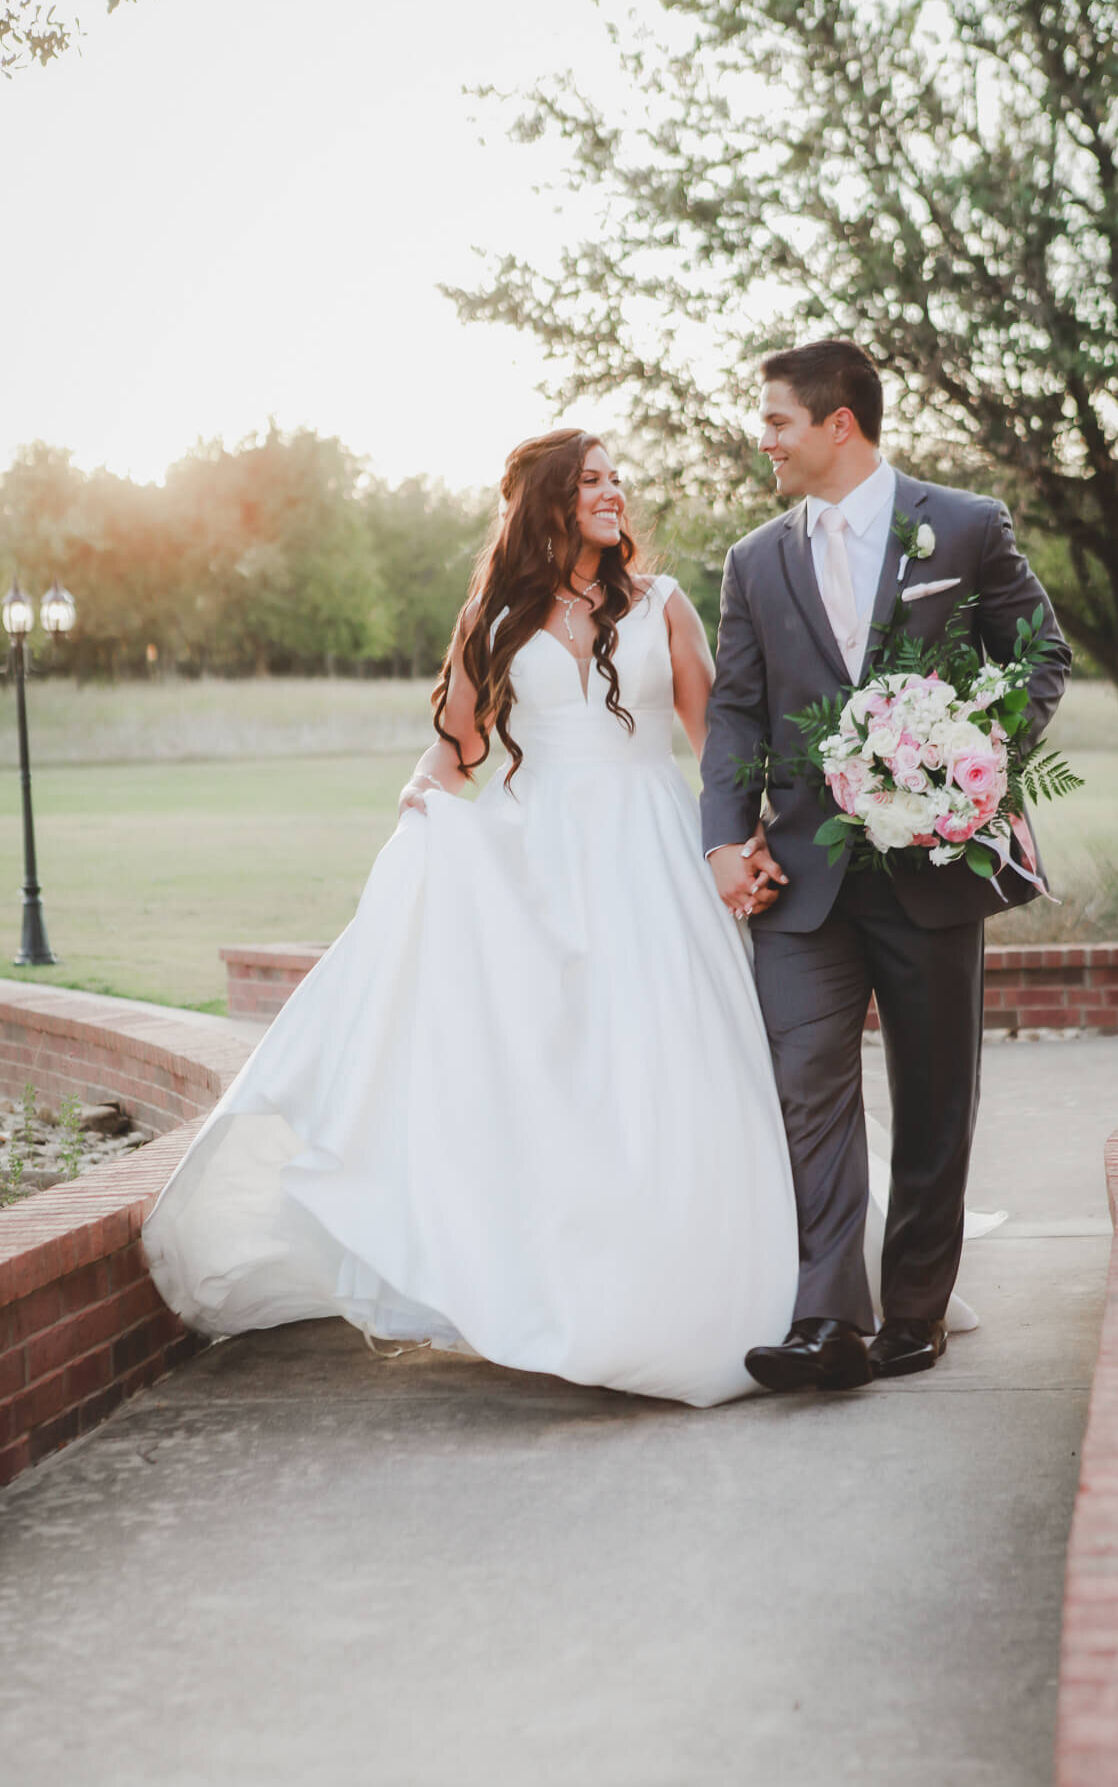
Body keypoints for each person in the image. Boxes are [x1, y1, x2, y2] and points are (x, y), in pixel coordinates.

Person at [142, 429, 800, 1408]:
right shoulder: (493, 618)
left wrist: (748, 839)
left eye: (619, 479)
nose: (615, 493)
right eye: (591, 482)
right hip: (536, 865)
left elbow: (717, 746)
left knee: (667, 1055)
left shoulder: (664, 606)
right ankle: (555, 1280)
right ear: (547, 503)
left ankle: (691, 1273)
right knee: (553, 1068)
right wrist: (421, 817)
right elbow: (452, 755)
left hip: (655, 856)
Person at [701, 340, 1071, 1394]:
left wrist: (968, 751)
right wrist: (728, 839)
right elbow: (733, 712)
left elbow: (1040, 655)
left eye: (776, 420)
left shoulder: (965, 526)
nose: (763, 438)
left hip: (934, 868)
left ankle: (913, 1309)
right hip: (802, 883)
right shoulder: (753, 560)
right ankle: (827, 1319)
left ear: (838, 424)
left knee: (933, 1094)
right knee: (806, 1090)